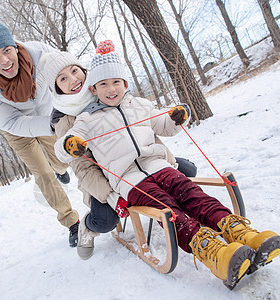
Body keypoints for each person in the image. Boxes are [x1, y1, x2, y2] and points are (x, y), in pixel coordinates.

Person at [53, 41, 280, 289]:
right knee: (169, 210)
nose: (110, 89)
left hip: (159, 166)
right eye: (103, 84)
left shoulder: (140, 106)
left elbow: (163, 124)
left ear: (125, 84)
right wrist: (70, 143)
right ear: (94, 88)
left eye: (116, 82)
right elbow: (62, 149)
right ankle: (215, 254)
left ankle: (243, 234)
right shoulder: (86, 119)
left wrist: (177, 117)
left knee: (193, 194)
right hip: (129, 181)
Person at [41, 47, 197, 260]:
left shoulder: (108, 86)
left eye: (74, 71)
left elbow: (142, 127)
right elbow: (83, 167)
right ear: (57, 88)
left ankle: (181, 202)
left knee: (188, 170)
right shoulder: (65, 120)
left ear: (85, 71)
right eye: (63, 78)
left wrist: (167, 162)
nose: (73, 80)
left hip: (142, 162)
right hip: (106, 178)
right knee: (106, 219)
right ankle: (88, 226)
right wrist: (112, 196)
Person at [0, 19, 80, 247]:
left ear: (14, 45)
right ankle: (71, 221)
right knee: (42, 172)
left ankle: (60, 169)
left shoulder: (41, 54)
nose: (4, 61)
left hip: (48, 114)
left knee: (61, 160)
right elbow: (11, 121)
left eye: (6, 50)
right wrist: (49, 124)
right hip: (16, 128)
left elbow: (68, 73)